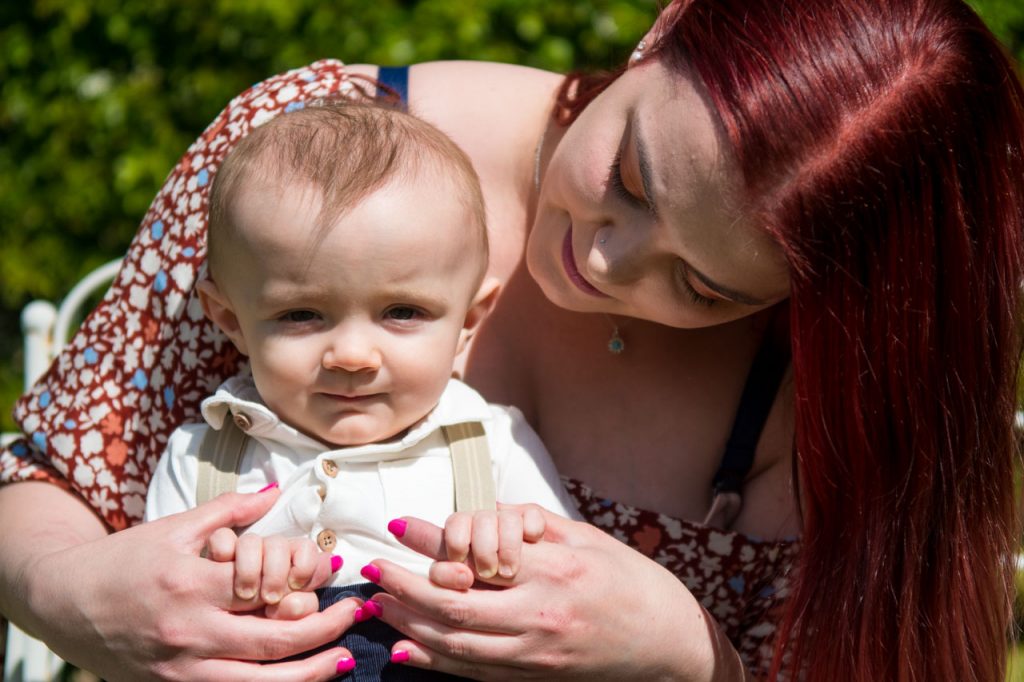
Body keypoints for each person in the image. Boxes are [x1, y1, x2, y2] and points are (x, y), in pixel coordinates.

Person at [2, 0, 1022, 679]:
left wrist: (686, 651)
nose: (610, 263)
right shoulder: (308, 156)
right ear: (661, 28)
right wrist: (71, 592)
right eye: (628, 178)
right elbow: (45, 479)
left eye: (703, 284)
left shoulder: (822, 384)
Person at [142, 100, 577, 679]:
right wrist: (231, 580)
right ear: (229, 319)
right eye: (301, 314)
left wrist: (506, 546)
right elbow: (155, 615)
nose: (351, 356)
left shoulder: (489, 443)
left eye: (401, 311)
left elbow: (567, 592)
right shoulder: (203, 456)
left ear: (469, 317)